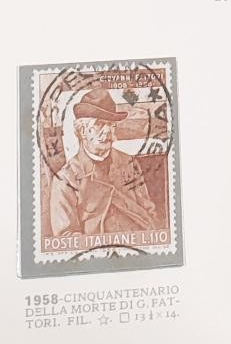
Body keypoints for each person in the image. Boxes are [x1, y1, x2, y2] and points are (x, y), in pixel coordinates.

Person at [48, 88, 160, 238]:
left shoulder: (129, 162)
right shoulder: (66, 179)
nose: (108, 131)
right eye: (100, 124)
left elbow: (149, 212)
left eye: (111, 124)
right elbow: (66, 237)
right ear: (82, 131)